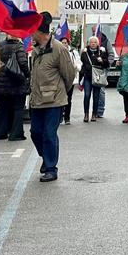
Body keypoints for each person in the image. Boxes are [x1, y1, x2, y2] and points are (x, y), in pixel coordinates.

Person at [29, 12, 76, 182]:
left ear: (39, 32)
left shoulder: (58, 48)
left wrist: (60, 91)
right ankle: (46, 156)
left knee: (49, 134)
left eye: (32, 30)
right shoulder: (35, 50)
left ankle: (51, 168)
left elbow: (69, 74)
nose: (30, 33)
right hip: (37, 100)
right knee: (35, 132)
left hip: (54, 100)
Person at [0, 34, 30, 141]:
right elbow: (22, 63)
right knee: (18, 109)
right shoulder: (19, 47)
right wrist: (27, 75)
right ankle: (16, 134)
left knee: (1, 109)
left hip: (1, 84)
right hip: (16, 84)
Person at [80, 36, 110, 122]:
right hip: (88, 77)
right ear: (89, 44)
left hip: (97, 77)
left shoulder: (102, 52)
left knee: (96, 96)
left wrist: (102, 61)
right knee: (87, 95)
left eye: (95, 42)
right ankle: (86, 114)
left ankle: (94, 114)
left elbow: (107, 64)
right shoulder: (84, 53)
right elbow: (83, 65)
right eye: (91, 42)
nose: (93, 44)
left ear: (97, 44)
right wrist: (80, 80)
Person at [59, 37, 82, 125]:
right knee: (60, 98)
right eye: (62, 42)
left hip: (71, 78)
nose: (64, 44)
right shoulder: (58, 51)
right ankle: (60, 116)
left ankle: (67, 117)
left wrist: (77, 66)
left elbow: (79, 62)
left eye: (65, 42)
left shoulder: (73, 52)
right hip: (60, 79)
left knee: (69, 98)